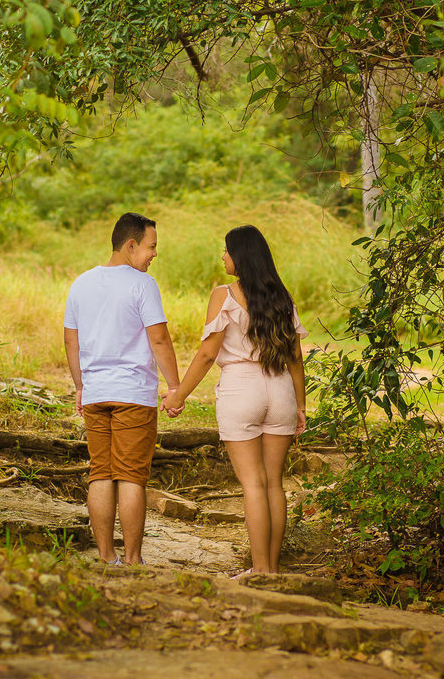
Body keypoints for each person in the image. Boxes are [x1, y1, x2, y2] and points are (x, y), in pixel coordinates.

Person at [162, 225, 306, 576]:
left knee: (253, 484)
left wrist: (178, 394)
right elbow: (296, 358)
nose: (222, 256)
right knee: (274, 482)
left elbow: (208, 354)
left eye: (226, 250)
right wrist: (301, 406)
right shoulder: (282, 297)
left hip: (243, 389)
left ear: (240, 256)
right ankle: (271, 569)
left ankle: (259, 571)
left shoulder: (223, 294)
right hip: (281, 389)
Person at [64, 212, 181, 566]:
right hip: (132, 395)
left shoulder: (81, 283)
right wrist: (175, 386)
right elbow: (158, 338)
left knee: (100, 473)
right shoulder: (142, 284)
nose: (154, 255)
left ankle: (105, 557)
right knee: (131, 477)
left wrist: (81, 385)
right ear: (130, 245)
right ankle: (132, 560)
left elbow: (71, 340)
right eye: (151, 246)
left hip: (97, 394)